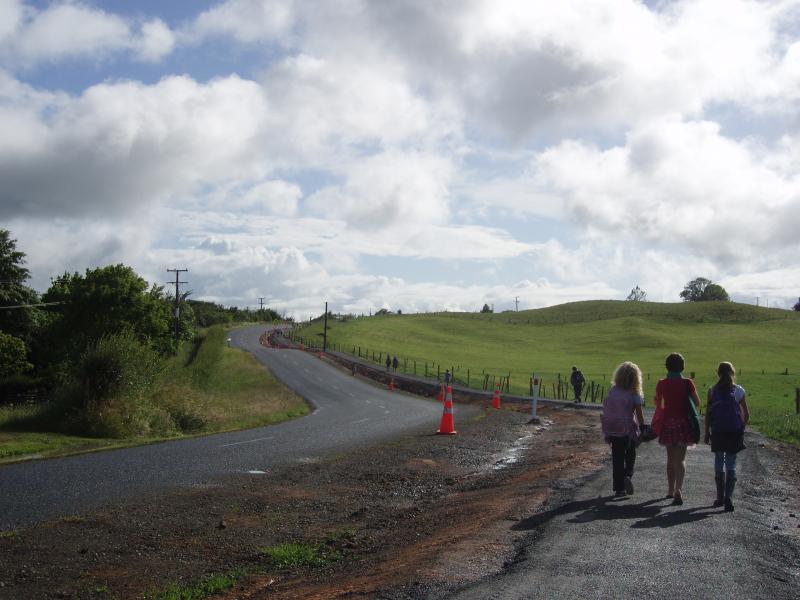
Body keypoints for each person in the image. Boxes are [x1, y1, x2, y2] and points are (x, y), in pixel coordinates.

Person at [653, 352, 701, 505]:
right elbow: (697, 403)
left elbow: (658, 404)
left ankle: (669, 490)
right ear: (682, 366)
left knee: (670, 459)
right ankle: (678, 489)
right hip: (683, 424)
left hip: (667, 423)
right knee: (680, 460)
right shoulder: (688, 383)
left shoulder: (661, 383)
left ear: (667, 366)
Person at [704, 362, 749, 512]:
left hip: (717, 431)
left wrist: (706, 432)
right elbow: (746, 414)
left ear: (718, 373)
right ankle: (729, 497)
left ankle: (719, 497)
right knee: (731, 463)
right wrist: (741, 428)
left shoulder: (712, 390)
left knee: (719, 460)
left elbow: (708, 415)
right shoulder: (739, 391)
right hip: (734, 432)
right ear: (732, 373)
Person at [601, 362, 646, 497]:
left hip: (612, 429)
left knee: (617, 457)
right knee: (631, 453)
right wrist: (643, 428)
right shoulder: (634, 393)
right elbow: (639, 413)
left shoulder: (612, 390)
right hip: (628, 430)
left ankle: (619, 488)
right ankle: (628, 474)